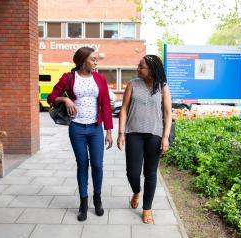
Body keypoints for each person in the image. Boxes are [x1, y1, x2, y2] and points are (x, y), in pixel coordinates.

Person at [47, 47, 113, 222]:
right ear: (83, 60)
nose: (96, 62)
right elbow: (51, 97)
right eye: (93, 59)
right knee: (82, 164)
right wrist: (65, 98)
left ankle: (97, 199)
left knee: (97, 165)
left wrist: (108, 131)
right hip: (76, 128)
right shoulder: (68, 77)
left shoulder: (100, 78)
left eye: (96, 59)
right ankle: (83, 204)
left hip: (95, 128)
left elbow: (106, 104)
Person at [117, 55, 172, 224]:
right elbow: (124, 109)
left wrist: (165, 137)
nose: (138, 69)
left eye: (141, 67)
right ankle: (136, 191)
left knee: (150, 173)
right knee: (132, 172)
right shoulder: (132, 84)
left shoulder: (162, 87)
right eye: (138, 66)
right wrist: (121, 133)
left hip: (154, 135)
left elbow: (168, 113)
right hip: (134, 133)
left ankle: (147, 208)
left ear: (152, 70)